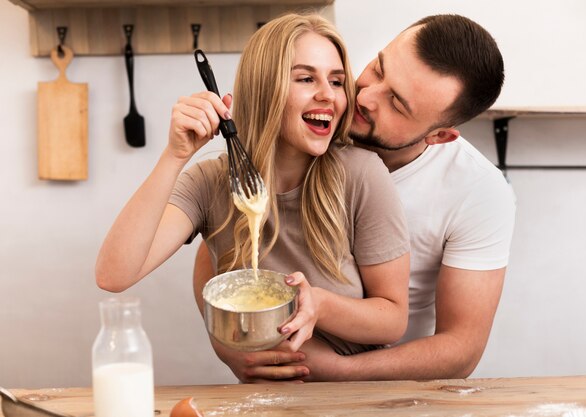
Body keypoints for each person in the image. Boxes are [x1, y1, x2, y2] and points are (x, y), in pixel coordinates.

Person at [193, 13, 516, 381]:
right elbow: (219, 247)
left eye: (396, 103)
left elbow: (461, 349)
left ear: (438, 136)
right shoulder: (316, 123)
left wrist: (340, 371)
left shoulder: (479, 192)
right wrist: (229, 346)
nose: (363, 96)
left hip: (390, 388)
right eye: (378, 68)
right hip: (279, 378)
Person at [96, 13, 410, 361]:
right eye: (306, 78)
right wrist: (175, 155)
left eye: (337, 82)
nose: (327, 95)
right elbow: (114, 274)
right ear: (264, 87)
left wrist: (319, 304)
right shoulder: (210, 183)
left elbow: (392, 320)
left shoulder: (361, 174)